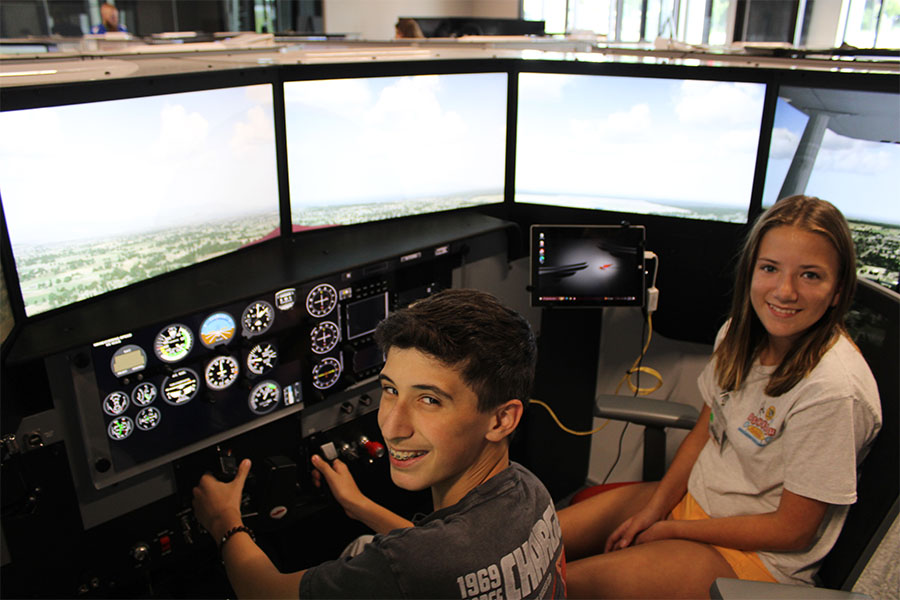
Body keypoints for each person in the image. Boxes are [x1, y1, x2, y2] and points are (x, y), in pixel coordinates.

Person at [558, 195, 882, 598]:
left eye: (811, 275)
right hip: (695, 504)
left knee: (560, 587)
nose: (785, 291)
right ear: (751, 273)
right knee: (533, 542)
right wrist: (657, 507)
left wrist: (672, 530)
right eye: (770, 268)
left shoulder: (832, 392)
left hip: (754, 558)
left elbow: (793, 530)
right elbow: (705, 431)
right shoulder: (737, 335)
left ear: (838, 291)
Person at [192, 289, 566, 599]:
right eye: (390, 390)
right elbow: (443, 553)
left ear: (502, 419)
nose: (390, 425)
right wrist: (359, 505)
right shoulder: (530, 492)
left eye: (429, 400)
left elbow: (267, 593)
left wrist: (226, 523)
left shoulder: (409, 565)